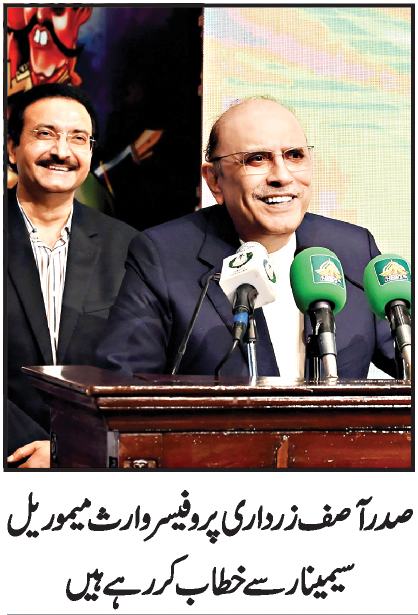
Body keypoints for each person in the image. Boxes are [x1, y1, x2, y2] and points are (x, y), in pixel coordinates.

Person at [96, 97, 396, 380]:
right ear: (215, 180)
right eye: (256, 159)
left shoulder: (353, 249)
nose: (282, 176)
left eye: (294, 155)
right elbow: (122, 383)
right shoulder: (163, 256)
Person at [7, 84, 138, 468]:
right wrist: (26, 445)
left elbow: (134, 370)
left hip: (93, 462)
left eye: (78, 138)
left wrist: (71, 447)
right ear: (12, 147)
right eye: (45, 134)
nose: (62, 152)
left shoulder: (127, 246)